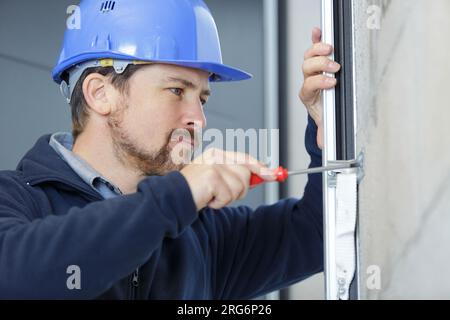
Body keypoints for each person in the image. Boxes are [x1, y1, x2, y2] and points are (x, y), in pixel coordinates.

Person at [0, 0, 340, 299]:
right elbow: (17, 279)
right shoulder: (16, 200)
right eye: (177, 91)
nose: (199, 119)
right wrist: (177, 196)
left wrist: (328, 132)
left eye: (202, 98)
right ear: (100, 93)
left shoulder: (201, 235)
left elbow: (318, 231)